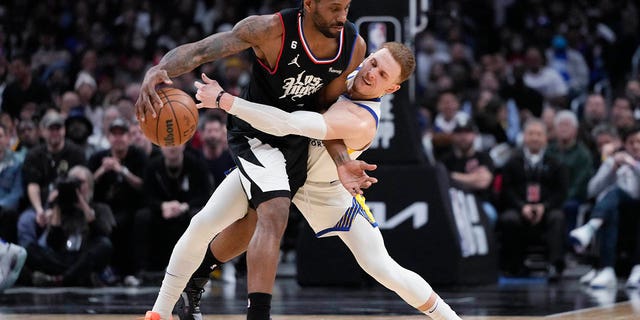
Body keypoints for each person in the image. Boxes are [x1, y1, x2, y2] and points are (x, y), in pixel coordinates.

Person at [144, 42, 461, 320]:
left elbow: (287, 123)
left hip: (325, 191)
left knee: (381, 267)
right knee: (207, 223)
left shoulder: (362, 120)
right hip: (282, 164)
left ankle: (448, 316)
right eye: (374, 62)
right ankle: (160, 310)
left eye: (382, 75)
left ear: (391, 88)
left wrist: (225, 100)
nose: (371, 72)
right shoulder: (343, 71)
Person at [136, 1, 372, 319]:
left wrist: (343, 161)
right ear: (310, 4)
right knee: (274, 213)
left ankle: (193, 281)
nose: (342, 16)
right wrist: (157, 70)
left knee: (242, 224)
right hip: (255, 135)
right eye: (333, 8)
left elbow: (326, 118)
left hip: (296, 140)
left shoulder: (352, 45)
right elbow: (201, 51)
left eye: (345, 6)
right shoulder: (269, 30)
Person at [570, 125, 640, 288]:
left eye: (639, 142)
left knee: (616, 192)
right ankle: (607, 269)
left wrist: (633, 166)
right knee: (612, 202)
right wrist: (611, 168)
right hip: (618, 215)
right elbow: (591, 190)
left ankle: (590, 228)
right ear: (624, 144)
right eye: (631, 142)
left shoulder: (631, 163)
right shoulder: (614, 161)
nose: (635, 146)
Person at [498, 119, 568, 280]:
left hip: (547, 210)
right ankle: (514, 266)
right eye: (531, 134)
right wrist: (522, 206)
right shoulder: (511, 162)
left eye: (539, 134)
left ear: (545, 138)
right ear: (524, 137)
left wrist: (545, 206)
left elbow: (561, 192)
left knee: (557, 217)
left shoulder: (556, 163)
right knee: (509, 219)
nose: (535, 138)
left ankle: (555, 266)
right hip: (520, 209)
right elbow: (506, 190)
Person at [25, 165, 114, 287]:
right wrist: (56, 205)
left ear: (90, 185)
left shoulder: (100, 208)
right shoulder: (62, 211)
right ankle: (77, 277)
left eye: (80, 183)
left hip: (85, 256)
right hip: (64, 258)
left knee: (104, 245)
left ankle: (62, 279)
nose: (76, 187)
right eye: (72, 182)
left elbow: (102, 233)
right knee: (30, 249)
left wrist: (82, 203)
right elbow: (53, 243)